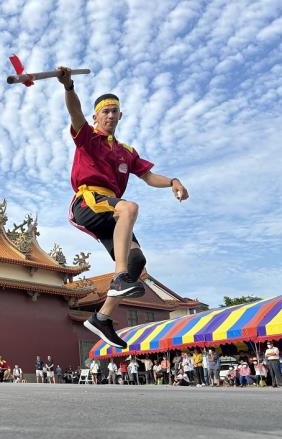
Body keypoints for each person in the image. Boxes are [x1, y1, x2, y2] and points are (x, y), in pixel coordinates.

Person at [56, 68, 189, 349]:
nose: (110, 116)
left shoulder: (126, 151)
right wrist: (69, 86)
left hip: (111, 209)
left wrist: (173, 182)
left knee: (137, 261)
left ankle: (102, 317)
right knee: (128, 208)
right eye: (105, 111)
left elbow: (149, 176)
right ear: (96, 117)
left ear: (120, 115)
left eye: (115, 111)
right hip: (88, 200)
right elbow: (75, 112)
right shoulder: (88, 136)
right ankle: (118, 276)